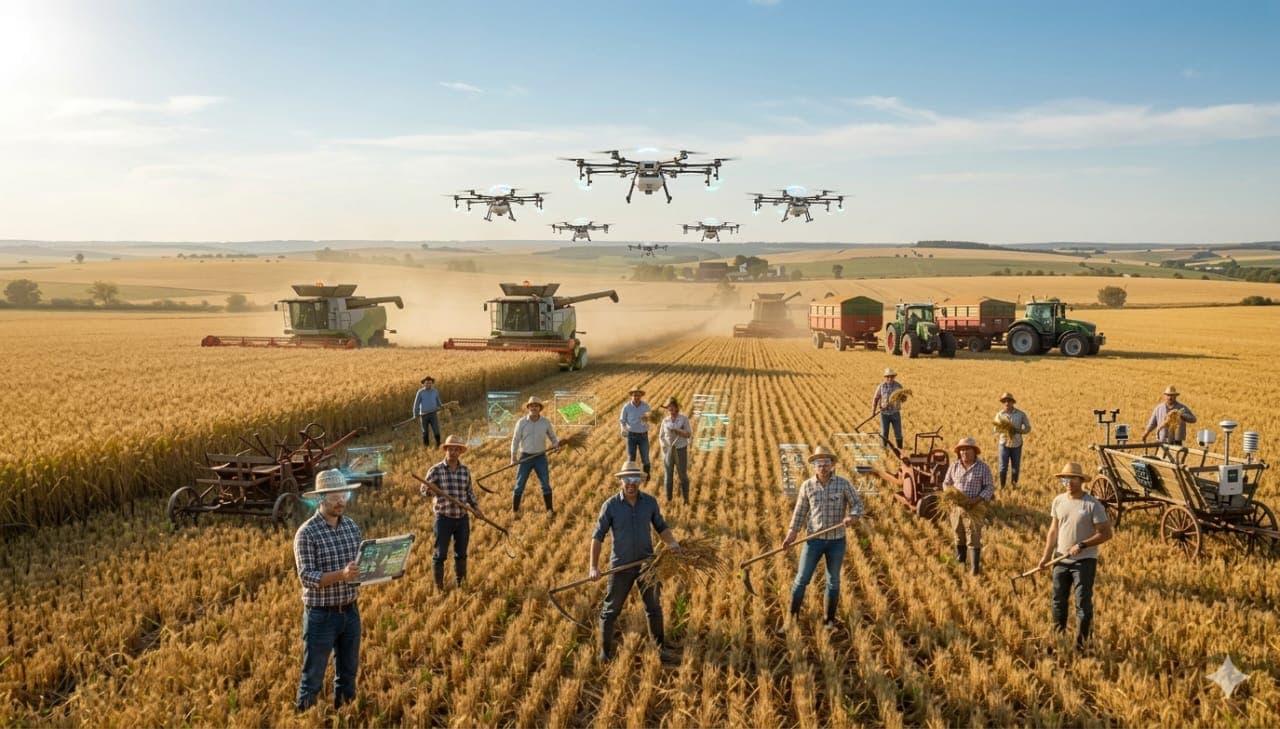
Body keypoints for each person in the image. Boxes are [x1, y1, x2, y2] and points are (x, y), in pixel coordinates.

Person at [293, 469, 363, 712]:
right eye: (333, 496)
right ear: (320, 498)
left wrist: (381, 569)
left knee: (348, 675)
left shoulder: (351, 527)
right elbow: (307, 577)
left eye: (343, 494)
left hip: (351, 612)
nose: (340, 500)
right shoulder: (307, 533)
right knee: (312, 679)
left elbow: (359, 566)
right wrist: (341, 575)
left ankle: (344, 715)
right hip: (321, 616)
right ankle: (303, 719)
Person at [782, 446, 863, 629]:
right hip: (813, 541)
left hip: (836, 541)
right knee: (801, 580)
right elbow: (800, 512)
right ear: (814, 465)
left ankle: (829, 621)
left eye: (826, 462)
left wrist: (853, 516)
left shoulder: (843, 484)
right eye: (819, 463)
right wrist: (791, 534)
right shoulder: (807, 486)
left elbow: (857, 504)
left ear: (833, 464)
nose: (823, 466)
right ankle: (791, 620)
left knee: (833, 582)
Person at [1038, 462, 1113, 649]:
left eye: (1072, 478)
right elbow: (1053, 531)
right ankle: (1058, 638)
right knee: (1058, 601)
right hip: (1061, 559)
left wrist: (1082, 544)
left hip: (1084, 561)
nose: (1068, 482)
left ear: (1081, 480)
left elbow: (1106, 533)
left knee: (1082, 603)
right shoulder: (1058, 501)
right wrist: (1046, 556)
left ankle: (1081, 644)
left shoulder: (1092, 505)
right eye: (1065, 478)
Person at [422, 435, 482, 590]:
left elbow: (469, 493)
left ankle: (461, 584)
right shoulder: (436, 470)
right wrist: (433, 491)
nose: (453, 452)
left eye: (456, 449)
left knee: (461, 554)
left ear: (460, 452)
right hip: (443, 518)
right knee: (440, 555)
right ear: (446, 450)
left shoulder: (465, 471)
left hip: (462, 518)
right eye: (451, 448)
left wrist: (476, 509)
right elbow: (423, 489)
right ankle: (439, 587)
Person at [943, 437, 994, 576]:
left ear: (974, 451)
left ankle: (974, 570)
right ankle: (960, 564)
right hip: (956, 508)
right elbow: (946, 483)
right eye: (962, 450)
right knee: (958, 536)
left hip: (974, 508)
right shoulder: (954, 466)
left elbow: (989, 487)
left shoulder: (983, 467)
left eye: (967, 449)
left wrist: (976, 500)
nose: (964, 452)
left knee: (973, 538)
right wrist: (950, 494)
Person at [511, 396, 559, 515]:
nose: (534, 408)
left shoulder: (545, 422)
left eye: (536, 406)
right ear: (528, 408)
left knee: (545, 484)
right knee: (519, 485)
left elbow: (552, 437)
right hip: (525, 457)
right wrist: (513, 457)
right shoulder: (521, 422)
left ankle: (549, 510)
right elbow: (515, 440)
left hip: (540, 457)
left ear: (540, 408)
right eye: (531, 406)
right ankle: (515, 510)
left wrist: (556, 444)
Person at [993, 392, 1033, 488]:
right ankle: (1002, 486)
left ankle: (1014, 486)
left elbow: (1028, 428)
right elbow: (995, 430)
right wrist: (1004, 429)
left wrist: (1017, 431)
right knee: (1003, 468)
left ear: (1012, 402)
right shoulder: (999, 415)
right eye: (1005, 401)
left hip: (1017, 444)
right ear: (1003, 403)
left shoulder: (1021, 414)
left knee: (1015, 467)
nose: (1007, 403)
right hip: (1004, 444)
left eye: (1009, 401)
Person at [659, 397, 693, 503]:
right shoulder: (665, 421)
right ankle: (668, 499)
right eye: (668, 407)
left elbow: (688, 434)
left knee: (682, 475)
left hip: (680, 449)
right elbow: (661, 436)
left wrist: (679, 431)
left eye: (672, 406)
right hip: (668, 450)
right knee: (668, 475)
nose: (670, 408)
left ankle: (686, 499)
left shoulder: (683, 419)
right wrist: (665, 447)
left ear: (677, 407)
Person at [618, 386, 653, 480]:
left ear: (641, 396)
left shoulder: (646, 406)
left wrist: (646, 419)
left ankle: (646, 476)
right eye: (634, 395)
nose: (636, 397)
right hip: (631, 436)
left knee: (645, 457)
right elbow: (622, 420)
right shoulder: (627, 407)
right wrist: (622, 429)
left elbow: (651, 417)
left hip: (643, 435)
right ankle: (631, 478)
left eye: (638, 395)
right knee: (631, 458)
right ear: (631, 396)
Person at [872, 368, 904, 450]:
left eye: (892, 377)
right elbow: (876, 399)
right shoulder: (881, 386)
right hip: (884, 414)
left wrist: (898, 398)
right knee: (884, 433)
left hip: (895, 413)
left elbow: (903, 398)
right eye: (888, 377)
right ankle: (884, 448)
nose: (890, 378)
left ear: (894, 377)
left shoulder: (898, 386)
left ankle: (900, 450)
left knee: (898, 433)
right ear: (885, 377)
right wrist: (873, 411)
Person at [412, 376, 444, 448]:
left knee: (436, 430)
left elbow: (438, 400)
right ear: (423, 384)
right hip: (424, 415)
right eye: (426, 383)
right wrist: (415, 414)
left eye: (430, 383)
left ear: (432, 383)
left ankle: (438, 444)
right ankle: (426, 446)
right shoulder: (420, 392)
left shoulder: (435, 391)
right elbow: (416, 404)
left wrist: (441, 406)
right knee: (425, 432)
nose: (428, 385)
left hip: (433, 414)